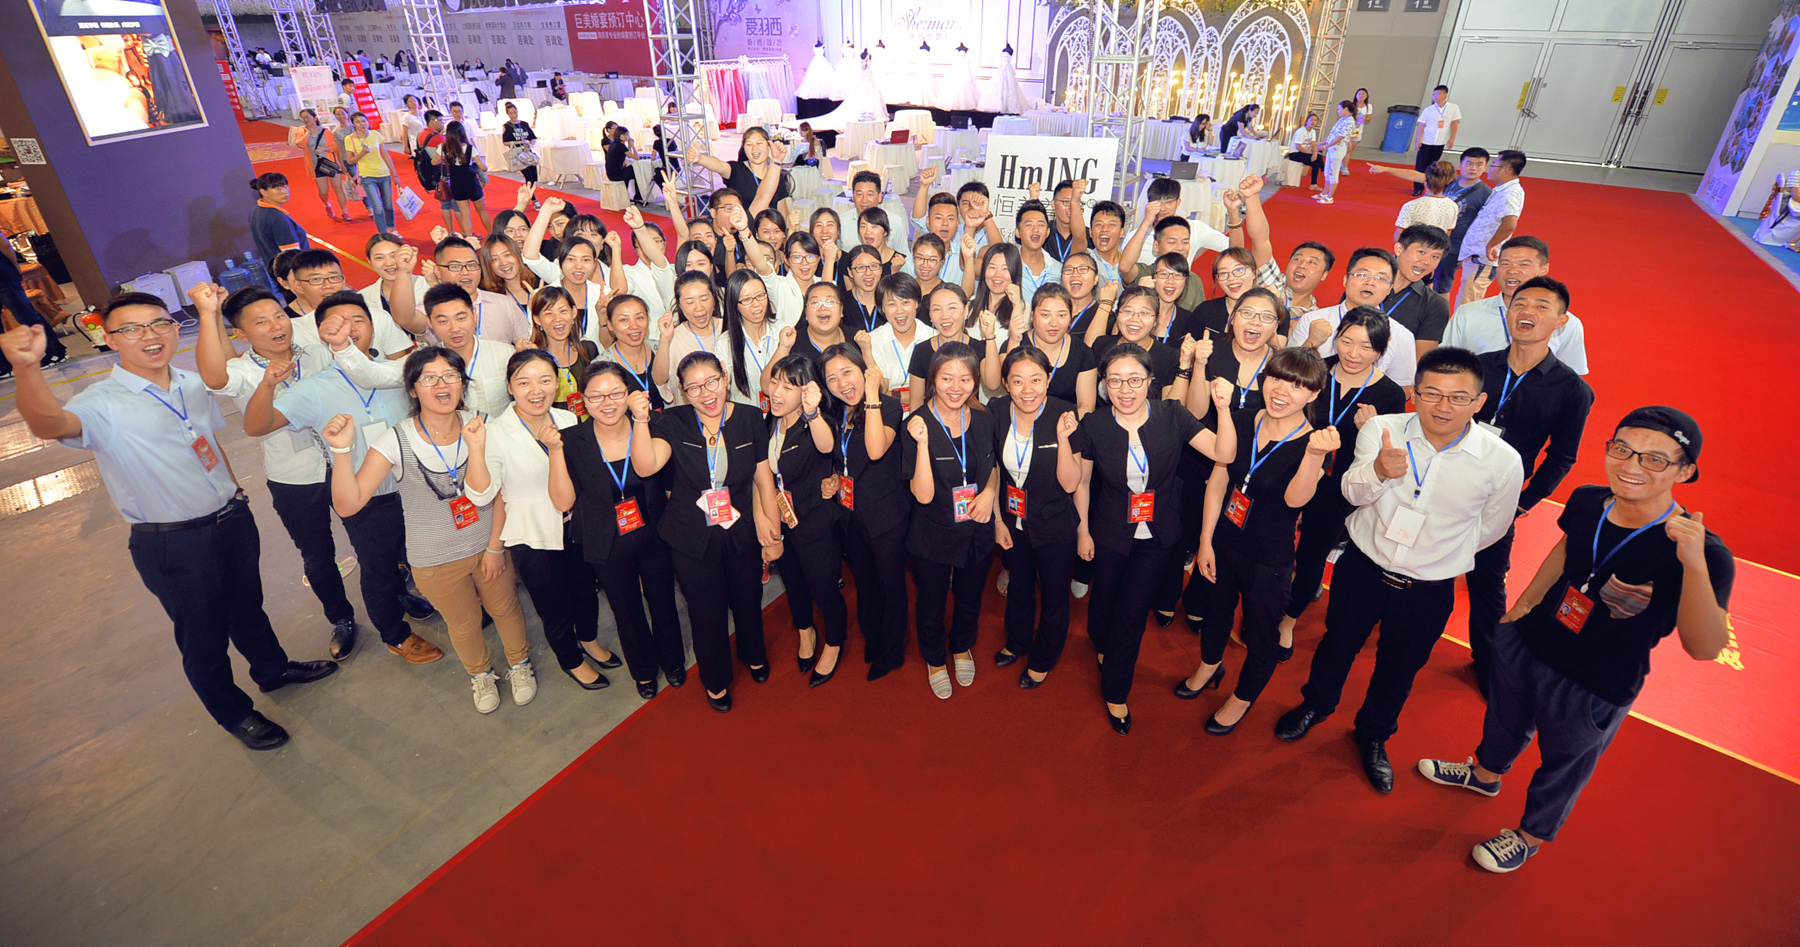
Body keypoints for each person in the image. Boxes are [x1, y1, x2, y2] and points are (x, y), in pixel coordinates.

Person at [3, 298, 338, 749]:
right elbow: (51, 425)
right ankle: (235, 714)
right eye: (132, 329)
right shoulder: (102, 403)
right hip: (174, 541)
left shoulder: (190, 383)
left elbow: (209, 442)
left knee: (247, 607)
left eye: (159, 324)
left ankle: (272, 670)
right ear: (109, 339)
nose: (150, 336)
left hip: (230, 518)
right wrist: (27, 368)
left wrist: (236, 493)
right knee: (203, 636)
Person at [1417, 406, 1730, 874]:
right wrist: (1520, 610)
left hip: (1596, 679)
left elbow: (1704, 647)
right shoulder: (1587, 500)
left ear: (1684, 471)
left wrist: (1694, 564)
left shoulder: (1704, 552)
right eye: (1622, 449)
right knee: (1503, 720)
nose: (1631, 466)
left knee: (1565, 763)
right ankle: (1484, 775)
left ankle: (1530, 836)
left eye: (1654, 459)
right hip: (1532, 641)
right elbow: (1565, 549)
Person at [1274, 347, 1523, 793]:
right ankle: (1316, 705)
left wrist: (1436, 556)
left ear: (1479, 402)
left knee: (1400, 668)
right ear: (1416, 393)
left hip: (1428, 587)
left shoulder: (1502, 460)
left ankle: (1373, 735)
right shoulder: (1382, 430)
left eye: (1458, 397)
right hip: (1362, 569)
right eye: (1432, 393)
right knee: (1336, 645)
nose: (1443, 406)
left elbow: (1491, 529)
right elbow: (1350, 492)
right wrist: (1377, 471)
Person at [325, 347, 536, 714]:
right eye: (429, 378)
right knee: (464, 624)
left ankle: (520, 665)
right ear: (412, 388)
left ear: (462, 383)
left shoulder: (482, 425)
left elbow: (505, 492)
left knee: (506, 608)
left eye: (451, 375)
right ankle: (481, 674)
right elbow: (348, 504)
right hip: (434, 559)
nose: (442, 385)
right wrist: (341, 452)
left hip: (489, 545)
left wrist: (495, 546)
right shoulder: (396, 440)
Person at [242, 294, 444, 664]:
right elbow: (258, 425)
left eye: (357, 320)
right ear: (323, 335)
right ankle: (395, 635)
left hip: (417, 487)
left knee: (423, 553)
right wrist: (267, 386)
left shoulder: (400, 373)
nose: (349, 329)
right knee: (378, 568)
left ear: (373, 329)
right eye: (337, 323)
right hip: (368, 498)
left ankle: (438, 602)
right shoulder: (314, 388)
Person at [1070, 346, 1237, 733]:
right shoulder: (1094, 424)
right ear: (1103, 384)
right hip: (1109, 530)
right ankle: (1101, 644)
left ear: (1150, 381)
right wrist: (1082, 530)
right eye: (1115, 381)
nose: (1124, 389)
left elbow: (1223, 452)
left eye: (1134, 380)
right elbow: (1082, 481)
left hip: (1159, 534)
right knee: (1103, 598)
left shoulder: (1172, 414)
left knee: (1131, 614)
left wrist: (1224, 409)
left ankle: (1116, 691)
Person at [190, 284, 360, 657]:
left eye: (279, 316)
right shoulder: (242, 371)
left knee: (371, 536)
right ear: (241, 333)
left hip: (348, 461)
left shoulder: (318, 351)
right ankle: (341, 618)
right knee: (317, 556)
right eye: (261, 322)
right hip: (293, 477)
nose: (276, 326)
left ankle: (397, 593)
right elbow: (214, 378)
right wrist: (208, 313)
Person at [1177, 348, 1333, 734]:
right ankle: (1209, 667)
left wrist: (1314, 456)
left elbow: (1295, 501)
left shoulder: (1317, 443)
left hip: (1269, 558)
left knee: (1262, 636)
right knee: (1216, 611)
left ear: (1314, 394)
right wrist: (1206, 540)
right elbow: (1219, 478)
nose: (1281, 391)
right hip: (1224, 541)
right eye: (1276, 379)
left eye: (1297, 386)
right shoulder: (1243, 419)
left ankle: (1242, 699)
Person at [629, 352, 778, 712]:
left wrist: (773, 536)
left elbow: (763, 479)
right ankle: (715, 680)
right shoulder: (673, 422)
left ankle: (753, 654)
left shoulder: (749, 418)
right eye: (693, 388)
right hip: (690, 537)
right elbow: (646, 466)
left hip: (740, 530)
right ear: (682, 391)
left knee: (747, 599)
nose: (706, 393)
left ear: (725, 377)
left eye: (712, 382)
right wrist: (640, 420)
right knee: (705, 611)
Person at [1465, 276, 1594, 692]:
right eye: (1520, 304)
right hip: (1447, 481)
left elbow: (1562, 456)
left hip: (1501, 500)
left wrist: (1523, 502)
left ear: (1561, 321)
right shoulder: (1476, 367)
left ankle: (1489, 664)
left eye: (1542, 306)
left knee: (1487, 584)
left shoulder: (1572, 390)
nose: (1528, 312)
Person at [550, 362, 689, 698]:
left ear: (629, 394)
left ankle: (673, 660)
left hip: (653, 531)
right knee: (625, 610)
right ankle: (643, 670)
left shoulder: (653, 425)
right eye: (596, 396)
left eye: (615, 393)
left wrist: (641, 420)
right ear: (583, 400)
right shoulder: (571, 440)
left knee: (662, 600)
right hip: (606, 540)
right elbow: (563, 502)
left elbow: (661, 475)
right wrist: (554, 452)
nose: (607, 402)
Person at [484, 350, 621, 690]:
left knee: (586, 591)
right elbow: (488, 494)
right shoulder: (495, 432)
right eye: (524, 382)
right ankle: (570, 659)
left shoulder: (568, 419)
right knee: (553, 604)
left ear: (556, 384)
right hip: (532, 536)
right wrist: (494, 547)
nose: (536, 390)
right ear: (510, 387)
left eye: (545, 380)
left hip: (576, 526)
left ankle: (589, 639)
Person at [1281, 309, 1409, 655]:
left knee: (1312, 555)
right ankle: (1266, 601)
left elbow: (1385, 455)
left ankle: (1288, 621)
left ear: (1381, 348)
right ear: (1336, 337)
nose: (1353, 353)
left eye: (1366, 347)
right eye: (1347, 341)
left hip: (1339, 488)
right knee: (1277, 545)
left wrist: (1373, 428)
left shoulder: (1390, 395)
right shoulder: (1316, 371)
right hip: (1294, 472)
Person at [905, 342, 999, 699]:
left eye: (965, 379)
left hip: (976, 527)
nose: (956, 387)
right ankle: (934, 658)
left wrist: (990, 492)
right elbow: (922, 494)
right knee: (931, 602)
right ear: (933, 379)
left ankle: (961, 646)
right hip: (932, 531)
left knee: (970, 596)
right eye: (947, 378)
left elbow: (991, 465)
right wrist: (922, 445)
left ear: (976, 381)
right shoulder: (915, 424)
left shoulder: (985, 419)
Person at [990, 347, 1082, 687]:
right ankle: (1017, 641)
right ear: (1005, 383)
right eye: (1017, 381)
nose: (1027, 390)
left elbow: (1071, 483)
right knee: (1019, 585)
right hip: (1013, 520)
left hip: (1054, 523)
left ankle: (1044, 658)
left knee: (1055, 594)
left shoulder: (1064, 413)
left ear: (1048, 380)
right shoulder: (997, 411)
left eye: (1035, 380)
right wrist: (998, 520)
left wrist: (1062, 439)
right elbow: (993, 470)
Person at [820, 342, 912, 679]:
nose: (842, 383)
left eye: (848, 372)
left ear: (864, 370)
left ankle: (892, 652)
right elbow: (841, 459)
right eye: (832, 378)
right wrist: (833, 478)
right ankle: (873, 636)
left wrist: (872, 393)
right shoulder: (835, 413)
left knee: (890, 585)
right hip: (850, 515)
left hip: (886, 515)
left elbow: (875, 450)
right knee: (866, 583)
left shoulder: (888, 406)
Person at [762, 356, 847, 685]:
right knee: (794, 584)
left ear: (807, 391)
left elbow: (827, 447)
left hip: (815, 523)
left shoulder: (817, 422)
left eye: (788, 386)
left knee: (824, 589)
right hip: (783, 521)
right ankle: (805, 631)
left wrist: (812, 414)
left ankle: (834, 642)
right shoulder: (770, 421)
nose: (777, 392)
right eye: (775, 383)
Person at [1441, 236, 1589, 374]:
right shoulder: (1468, 314)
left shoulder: (1566, 323)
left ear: (1544, 269)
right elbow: (1444, 366)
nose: (1512, 270)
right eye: (1505, 263)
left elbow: (1570, 379)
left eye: (1523, 264)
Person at [1289, 248, 1419, 396]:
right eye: (1362, 275)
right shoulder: (1312, 320)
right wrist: (1312, 343)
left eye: (1380, 278)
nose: (1370, 282)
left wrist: (1375, 408)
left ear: (1390, 288)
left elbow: (1402, 390)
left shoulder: (1401, 335)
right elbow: (1287, 372)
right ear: (1345, 280)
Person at [1375, 148, 1492, 295]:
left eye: (1479, 164)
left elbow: (1484, 226)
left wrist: (1468, 252)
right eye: (1469, 163)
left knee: (1438, 286)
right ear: (1460, 165)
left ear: (1485, 166)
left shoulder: (1486, 194)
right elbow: (1448, 233)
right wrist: (1387, 169)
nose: (1473, 168)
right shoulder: (1449, 187)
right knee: (1428, 283)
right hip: (1439, 249)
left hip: (1449, 249)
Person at [984, 283, 1097, 416]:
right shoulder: (1016, 342)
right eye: (1045, 315)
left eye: (1061, 315)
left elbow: (1086, 407)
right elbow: (1008, 384)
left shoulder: (1082, 352)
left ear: (1071, 317)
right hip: (1020, 419)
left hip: (1065, 422)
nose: (1053, 323)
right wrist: (1014, 342)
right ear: (1032, 316)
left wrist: (1064, 425)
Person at [906, 284, 998, 412]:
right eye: (937, 309)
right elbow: (916, 403)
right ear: (930, 314)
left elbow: (993, 384)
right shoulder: (922, 351)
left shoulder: (978, 348)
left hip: (969, 418)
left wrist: (990, 337)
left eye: (952, 308)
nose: (944, 316)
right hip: (932, 420)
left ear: (965, 310)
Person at [1456, 149, 1528, 304]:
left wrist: (1490, 246)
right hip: (1476, 255)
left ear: (1505, 169)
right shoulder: (1502, 189)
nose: (1489, 169)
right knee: (1465, 300)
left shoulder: (1510, 193)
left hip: (1482, 259)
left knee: (1468, 305)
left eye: (1494, 165)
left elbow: (1509, 225)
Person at [1383, 225, 1454, 361]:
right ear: (1399, 249)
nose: (1427, 261)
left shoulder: (1436, 305)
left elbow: (1420, 361)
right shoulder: (1367, 284)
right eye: (1421, 252)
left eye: (1435, 256)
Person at [524, 287, 598, 416]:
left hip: (589, 424)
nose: (557, 318)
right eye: (549, 313)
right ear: (537, 319)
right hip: (552, 426)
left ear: (573, 312)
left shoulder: (588, 349)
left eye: (563, 311)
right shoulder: (532, 360)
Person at [688, 126, 791, 218]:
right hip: (743, 229)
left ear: (769, 146)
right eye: (749, 144)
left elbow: (782, 209)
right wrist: (700, 158)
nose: (754, 148)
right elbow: (719, 165)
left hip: (768, 231)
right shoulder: (736, 170)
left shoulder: (775, 174)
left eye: (759, 143)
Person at [864, 272, 933, 402]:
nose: (899, 310)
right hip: (888, 412)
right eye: (891, 304)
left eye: (905, 302)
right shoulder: (873, 340)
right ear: (882, 308)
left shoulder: (933, 337)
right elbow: (880, 391)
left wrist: (894, 395)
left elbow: (936, 390)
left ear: (917, 303)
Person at [723, 268, 782, 411]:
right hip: (745, 418)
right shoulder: (724, 343)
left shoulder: (783, 331)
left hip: (780, 416)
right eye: (747, 300)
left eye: (761, 295)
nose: (756, 304)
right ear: (734, 304)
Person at [343, 111, 399, 232]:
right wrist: (362, 154)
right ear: (353, 124)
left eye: (364, 121)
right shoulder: (349, 139)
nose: (362, 124)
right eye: (358, 122)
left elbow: (386, 155)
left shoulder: (375, 134)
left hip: (384, 174)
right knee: (377, 207)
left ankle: (391, 229)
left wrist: (394, 174)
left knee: (388, 205)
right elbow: (350, 160)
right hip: (367, 176)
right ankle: (383, 234)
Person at [438, 120, 494, 237]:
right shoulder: (469, 148)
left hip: (456, 183)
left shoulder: (443, 148)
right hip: (471, 182)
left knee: (465, 214)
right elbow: (483, 168)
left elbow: (434, 162)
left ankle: (470, 240)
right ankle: (491, 235)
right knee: (481, 210)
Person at [295, 108, 352, 220]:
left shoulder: (325, 132)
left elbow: (335, 146)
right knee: (323, 191)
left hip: (330, 162)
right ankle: (327, 204)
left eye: (308, 117)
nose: (306, 120)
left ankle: (344, 211)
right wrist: (307, 134)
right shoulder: (302, 132)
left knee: (338, 188)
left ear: (315, 118)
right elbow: (300, 144)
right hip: (316, 165)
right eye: (303, 118)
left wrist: (324, 149)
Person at [248, 172, 310, 265]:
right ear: (264, 192)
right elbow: (292, 256)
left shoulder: (255, 211)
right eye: (278, 189)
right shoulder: (278, 219)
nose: (285, 192)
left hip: (273, 268)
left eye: (285, 187)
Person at [1412, 85, 1462, 197]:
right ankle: (1418, 188)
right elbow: (1421, 125)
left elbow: (1455, 124)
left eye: (1438, 94)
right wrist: (1418, 139)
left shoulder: (1453, 108)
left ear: (1445, 94)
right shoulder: (1428, 109)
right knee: (1421, 165)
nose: (1435, 96)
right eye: (1434, 94)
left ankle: (1431, 186)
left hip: (1440, 141)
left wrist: (1452, 138)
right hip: (1426, 141)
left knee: (1434, 166)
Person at [1013, 198, 1062, 303]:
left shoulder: (1059, 270)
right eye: (1029, 225)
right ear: (1017, 232)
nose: (1035, 230)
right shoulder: (1008, 266)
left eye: (1040, 225)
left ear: (1047, 232)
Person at [1394, 162, 1459, 240]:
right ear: (1450, 181)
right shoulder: (1453, 206)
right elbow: (1447, 235)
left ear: (1425, 180)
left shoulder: (1411, 205)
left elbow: (1398, 237)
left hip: (1414, 245)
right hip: (1437, 246)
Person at [1316, 100, 1357, 205]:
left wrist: (1326, 146)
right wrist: (1322, 142)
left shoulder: (1350, 121)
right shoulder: (1342, 119)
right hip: (1332, 148)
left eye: (1339, 109)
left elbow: (1341, 137)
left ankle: (1330, 196)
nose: (1338, 111)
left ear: (1345, 109)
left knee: (1333, 172)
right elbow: (1332, 134)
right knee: (1327, 171)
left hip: (1338, 149)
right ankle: (1325, 192)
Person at [1045, 178, 1091, 263]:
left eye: (1075, 203)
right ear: (1053, 204)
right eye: (1066, 202)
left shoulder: (1088, 235)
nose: (1071, 207)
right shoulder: (1043, 231)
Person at [501, 102, 539, 191]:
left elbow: (533, 138)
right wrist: (520, 142)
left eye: (515, 112)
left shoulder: (524, 124)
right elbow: (505, 142)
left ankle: (530, 195)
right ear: (508, 114)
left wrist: (529, 144)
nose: (514, 115)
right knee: (529, 177)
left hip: (528, 153)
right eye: (511, 113)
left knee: (534, 178)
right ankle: (531, 197)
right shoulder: (507, 126)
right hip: (518, 154)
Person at [604, 127, 643, 205]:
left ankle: (631, 195)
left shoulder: (614, 144)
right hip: (616, 174)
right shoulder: (620, 146)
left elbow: (628, 155)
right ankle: (638, 197)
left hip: (611, 173)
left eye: (627, 134)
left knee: (632, 171)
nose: (627, 137)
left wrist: (629, 146)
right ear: (619, 135)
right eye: (624, 135)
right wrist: (633, 145)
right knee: (636, 172)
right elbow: (636, 157)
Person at [1286, 113, 1325, 189]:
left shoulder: (1313, 131)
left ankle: (1313, 185)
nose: (1313, 122)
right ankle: (1325, 170)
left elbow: (1313, 144)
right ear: (1307, 121)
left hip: (1304, 153)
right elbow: (1298, 147)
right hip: (1295, 153)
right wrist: (1312, 153)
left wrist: (1315, 153)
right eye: (1311, 120)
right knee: (1319, 157)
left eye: (1315, 120)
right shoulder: (1301, 131)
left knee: (1315, 164)